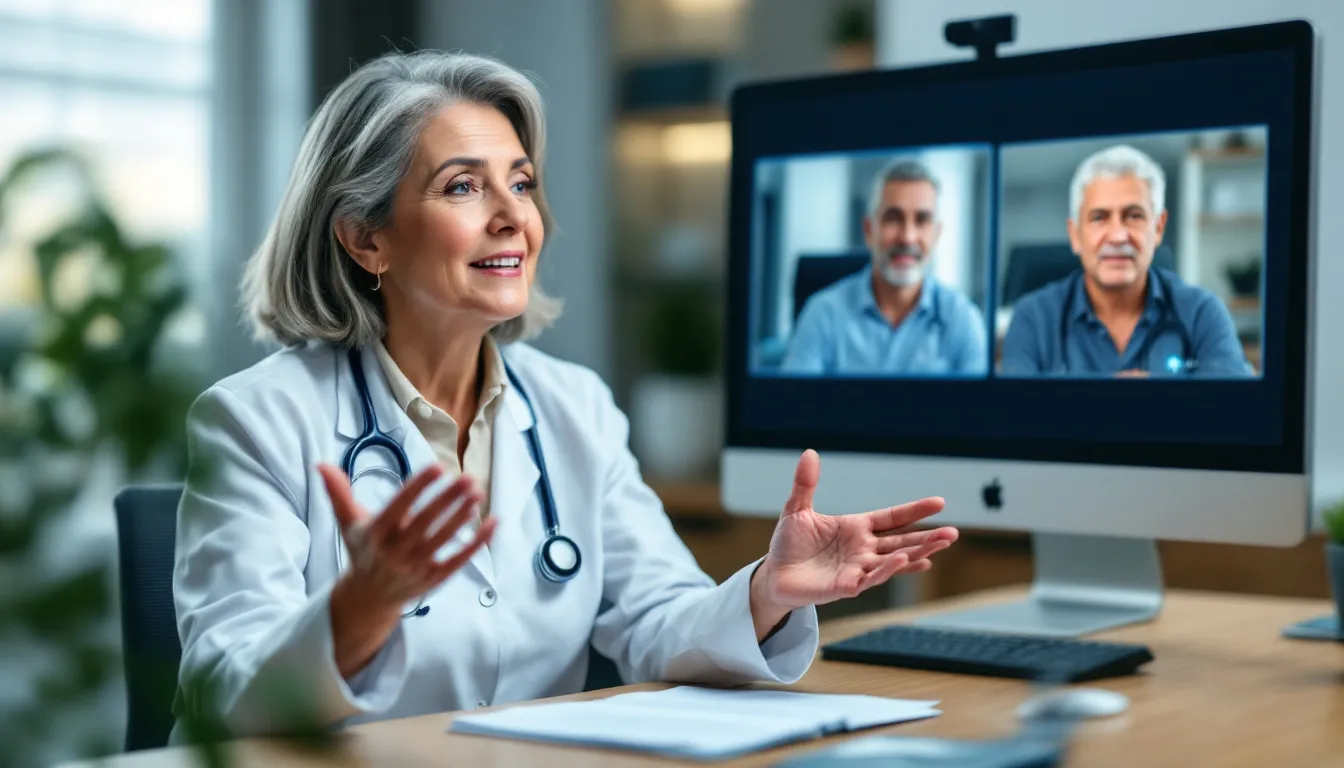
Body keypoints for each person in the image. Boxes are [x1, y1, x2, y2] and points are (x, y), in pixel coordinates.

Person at [171, 51, 960, 740]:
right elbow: (220, 693)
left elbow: (657, 619)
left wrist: (766, 592)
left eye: (521, 182)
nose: (515, 216)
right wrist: (358, 611)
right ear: (364, 237)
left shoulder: (574, 409)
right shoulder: (256, 421)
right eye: (462, 187)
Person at [1000, 144, 1253, 378]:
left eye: (1134, 216)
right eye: (1099, 217)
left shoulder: (1202, 313)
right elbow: (1013, 420)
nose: (1118, 236)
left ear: (1158, 228)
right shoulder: (1031, 320)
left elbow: (1234, 416)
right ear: (1075, 235)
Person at [779, 159, 988, 376]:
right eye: (893, 219)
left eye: (922, 220)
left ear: (936, 234)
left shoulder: (963, 320)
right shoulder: (823, 314)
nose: (908, 237)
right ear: (869, 230)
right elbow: (793, 407)